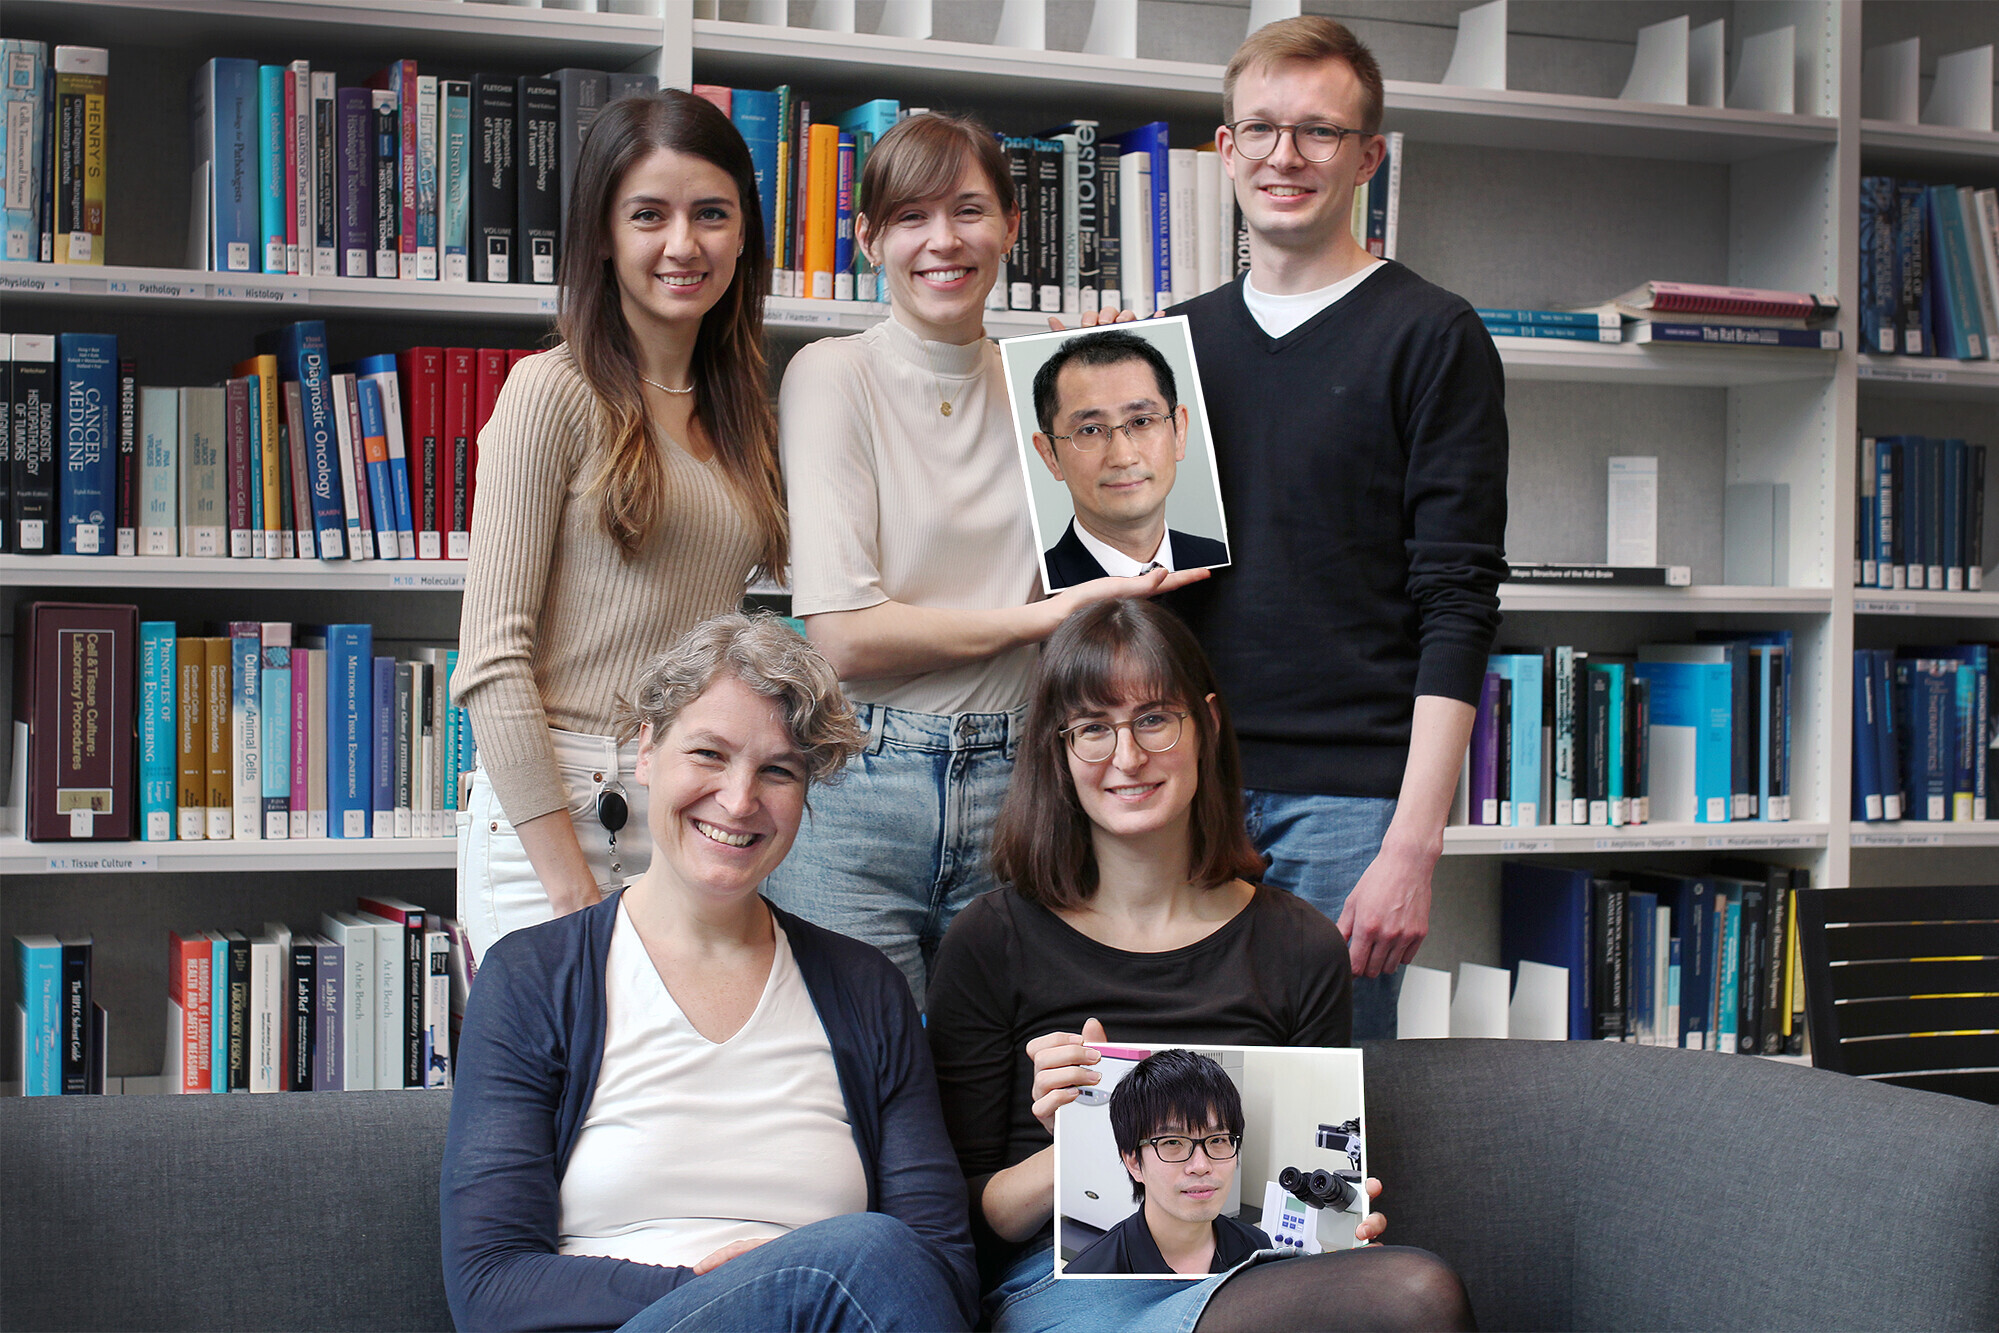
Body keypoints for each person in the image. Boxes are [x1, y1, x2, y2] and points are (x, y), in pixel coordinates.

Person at [1091, 16, 1510, 1038]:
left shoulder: (1431, 336)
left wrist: (1411, 845)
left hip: (1348, 807)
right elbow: (1123, 581)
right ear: (1225, 149)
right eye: (1262, 130)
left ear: (1368, 156)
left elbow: (1458, 602)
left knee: (1311, 1133)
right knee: (1158, 1106)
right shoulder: (1161, 350)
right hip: (1176, 784)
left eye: (1319, 133)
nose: (1287, 157)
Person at [925, 598, 1475, 1332]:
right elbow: (957, 1216)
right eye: (1092, 728)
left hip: (1251, 1269)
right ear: (1057, 750)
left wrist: (1333, 1218)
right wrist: (1083, 1148)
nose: (1126, 757)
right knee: (1404, 1295)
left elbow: (1295, 1188)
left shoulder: (1300, 944)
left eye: (1153, 718)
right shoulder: (990, 939)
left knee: (1406, 1288)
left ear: (1207, 724)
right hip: (1069, 1281)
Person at [768, 112, 1203, 1002]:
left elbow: (1121, 563)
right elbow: (845, 639)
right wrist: (1040, 620)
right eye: (909, 217)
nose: (943, 241)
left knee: (1009, 1087)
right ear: (868, 238)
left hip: (1024, 777)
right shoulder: (830, 374)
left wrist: (1119, 379)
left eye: (968, 210)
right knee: (864, 1086)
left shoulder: (1047, 384)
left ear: (1011, 225)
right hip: (860, 782)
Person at [441, 613, 977, 1333]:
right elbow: (490, 1283)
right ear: (646, 751)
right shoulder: (534, 978)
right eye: (708, 753)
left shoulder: (864, 987)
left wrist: (795, 1287)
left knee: (879, 1256)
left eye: (778, 770)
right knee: (867, 1249)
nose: (738, 799)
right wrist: (734, 1286)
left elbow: (941, 1266)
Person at [453, 91, 788, 962]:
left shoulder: (742, 410)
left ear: (745, 232)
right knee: (565, 1088)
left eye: (711, 214)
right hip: (556, 808)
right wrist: (570, 888)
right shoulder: (550, 391)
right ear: (602, 235)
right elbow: (491, 664)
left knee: (662, 1095)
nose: (684, 244)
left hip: (687, 799)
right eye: (650, 215)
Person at [1028, 328, 1229, 591]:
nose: (1123, 458)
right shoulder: (1030, 595)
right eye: (1089, 430)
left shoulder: (1224, 564)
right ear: (1049, 455)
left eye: (1142, 421)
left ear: (1179, 431)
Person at [1064, 1049, 1269, 1276]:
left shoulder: (1257, 1249)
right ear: (1134, 1163)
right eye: (1172, 1142)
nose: (1201, 1165)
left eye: (1218, 1139)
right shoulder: (1090, 1276)